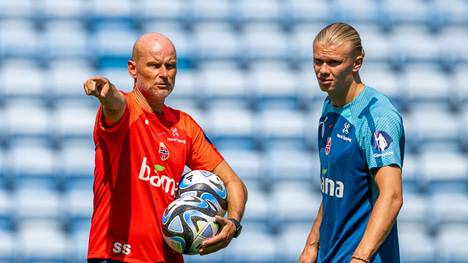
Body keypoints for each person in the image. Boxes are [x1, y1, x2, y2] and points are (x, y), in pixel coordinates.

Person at [83, 32, 248, 263]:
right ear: (133, 69)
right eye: (154, 65)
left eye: (170, 66)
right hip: (115, 256)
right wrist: (107, 91)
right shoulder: (125, 111)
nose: (163, 74)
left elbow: (234, 183)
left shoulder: (184, 126)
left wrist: (233, 223)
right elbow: (114, 103)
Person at [299, 22, 405, 263]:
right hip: (330, 254)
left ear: (357, 63)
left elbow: (391, 196)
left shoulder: (376, 117)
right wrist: (312, 243)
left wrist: (360, 258)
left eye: (334, 63)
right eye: (318, 61)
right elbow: (334, 187)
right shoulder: (329, 106)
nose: (323, 70)